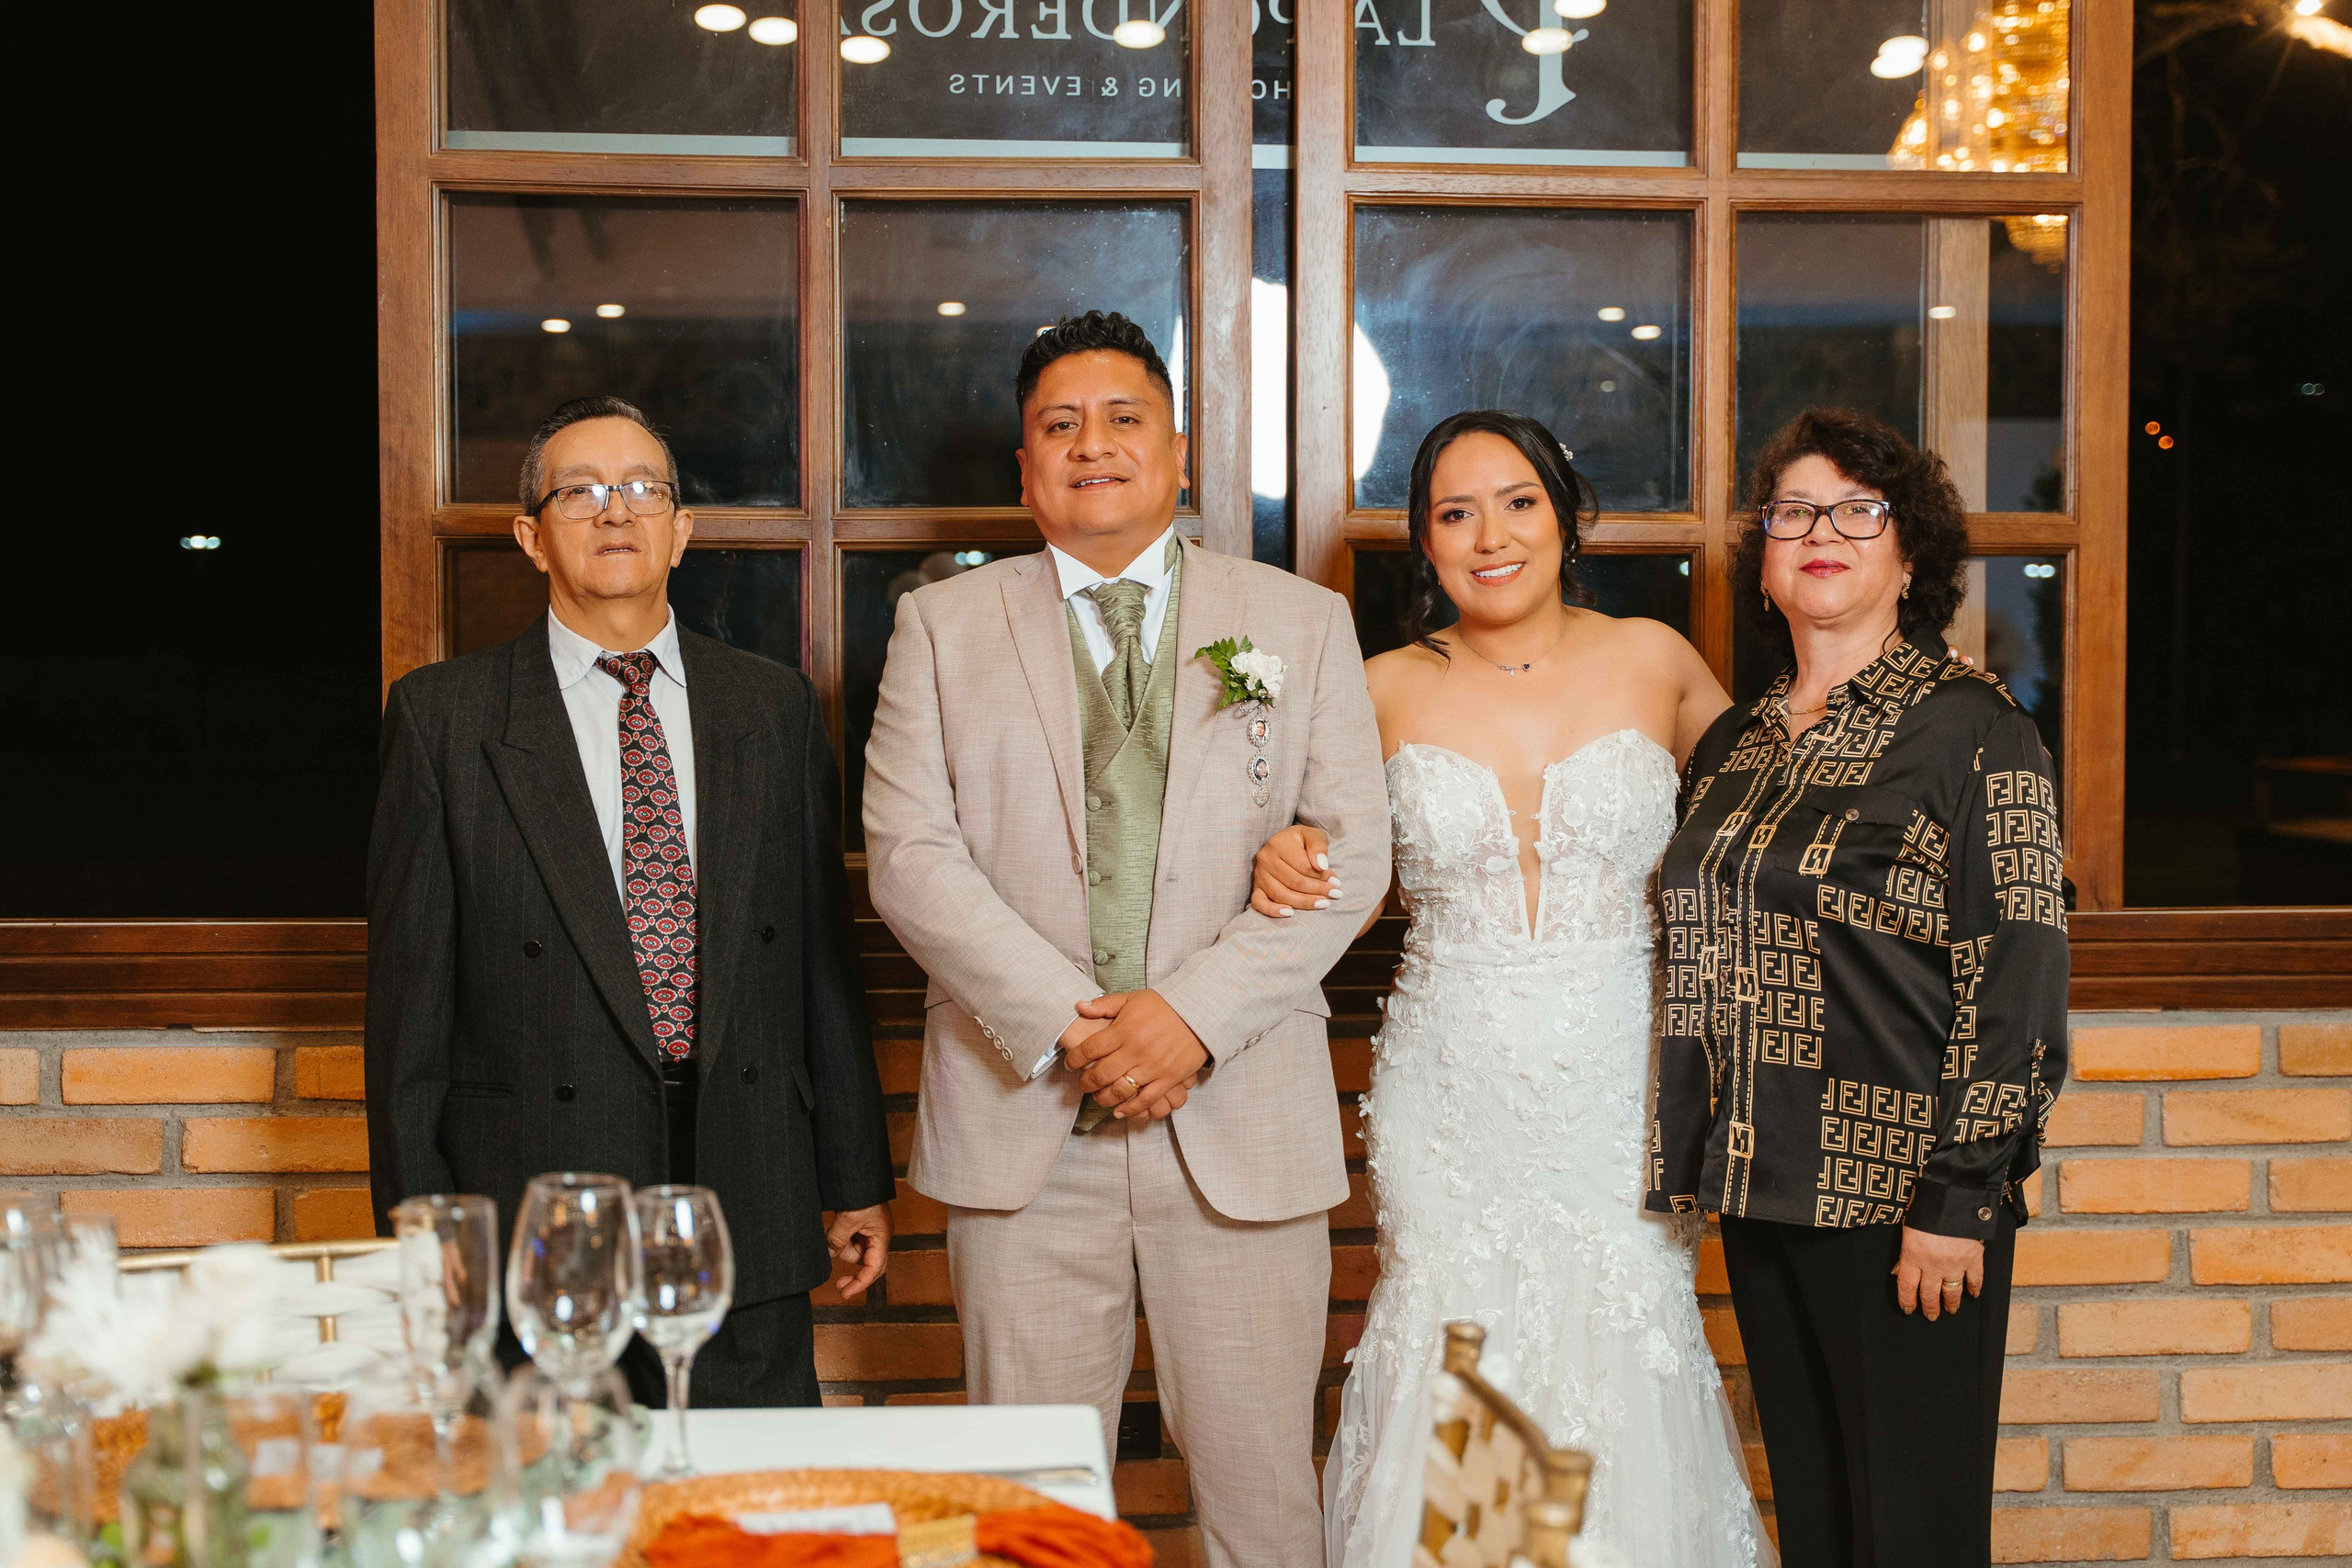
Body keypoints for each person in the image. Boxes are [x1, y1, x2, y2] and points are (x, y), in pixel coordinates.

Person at [861, 312, 1390, 1568]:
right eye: (1060, 424)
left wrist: (1189, 1015)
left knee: (1266, 1503)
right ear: (1025, 468)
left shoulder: (1296, 620)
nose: (1092, 444)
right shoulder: (941, 626)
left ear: (1182, 449)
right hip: (1024, 1126)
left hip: (1243, 1123)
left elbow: (1352, 849)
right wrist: (1075, 1022)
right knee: (1027, 1516)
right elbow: (910, 856)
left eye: (1122, 417)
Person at [1251, 410, 1765, 1568]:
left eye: (1517, 501)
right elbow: (1291, 844)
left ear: (1565, 518)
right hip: (1453, 1078)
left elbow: (1770, 835)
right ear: (1424, 545)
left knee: (1617, 1341)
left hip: (1619, 1072)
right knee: (1465, 1341)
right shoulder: (1372, 686)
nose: (1490, 533)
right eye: (1454, 511)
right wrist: (1279, 849)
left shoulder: (1656, 659)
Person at [366, 395, 896, 1408]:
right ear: (530, 536)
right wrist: (421, 1226)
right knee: (565, 1525)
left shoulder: (772, 707)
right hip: (539, 1202)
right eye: (581, 492)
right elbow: (408, 1008)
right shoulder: (446, 720)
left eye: (643, 490)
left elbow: (820, 965)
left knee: (747, 1523)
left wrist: (851, 1173)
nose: (617, 512)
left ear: (681, 530)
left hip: (747, 1178)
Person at [1647, 407, 2069, 1566]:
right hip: (1759, 1179)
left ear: (1910, 552)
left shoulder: (1974, 731)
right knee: (1825, 1528)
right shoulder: (1734, 742)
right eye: (1792, 511)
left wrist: (1960, 1197)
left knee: (1912, 1536)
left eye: (1856, 509)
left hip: (1902, 1202)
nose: (1819, 531)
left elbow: (2019, 980)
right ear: (1765, 555)